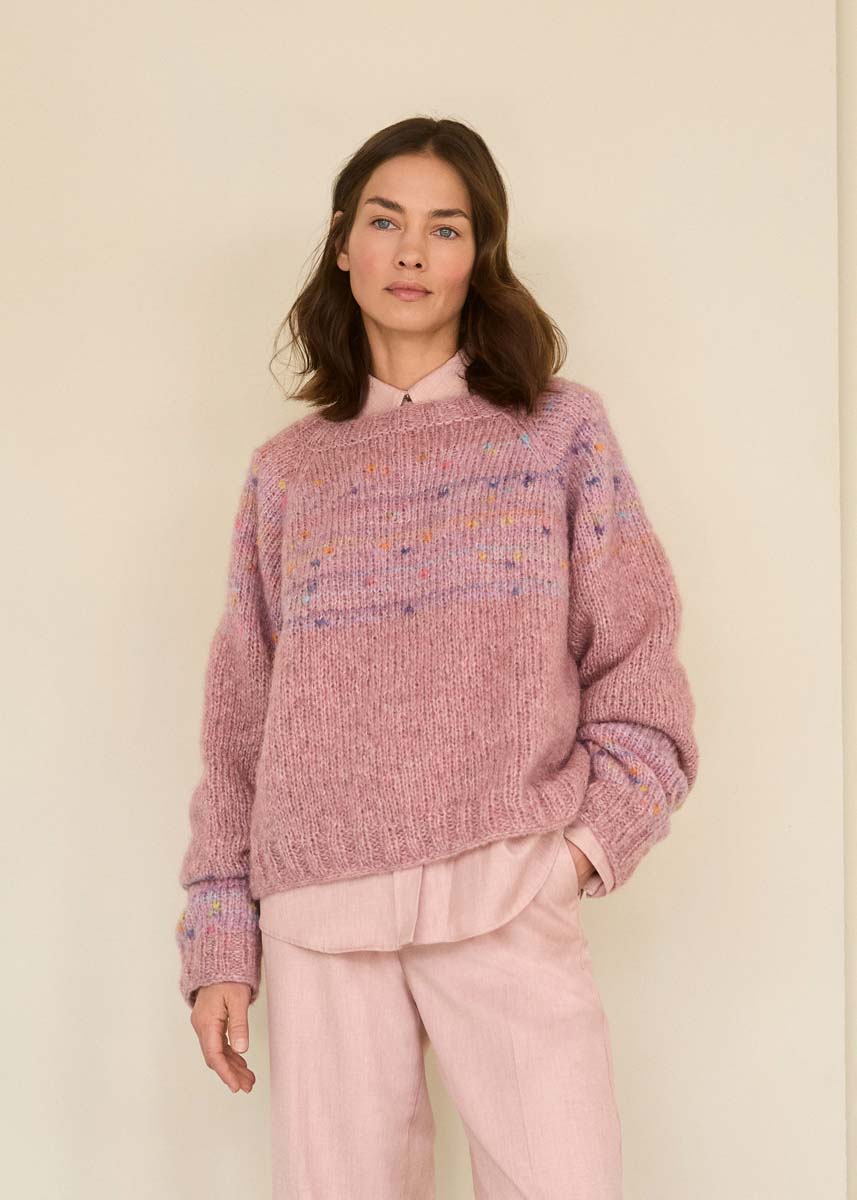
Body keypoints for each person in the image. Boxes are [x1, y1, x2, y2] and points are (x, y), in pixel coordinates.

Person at [175, 115, 699, 1200]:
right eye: (385, 222)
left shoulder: (557, 433)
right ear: (342, 243)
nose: (411, 251)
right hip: (320, 914)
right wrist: (220, 938)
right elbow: (238, 728)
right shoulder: (287, 474)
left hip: (506, 889)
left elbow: (641, 671)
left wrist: (577, 855)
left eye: (445, 228)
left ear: (478, 254)